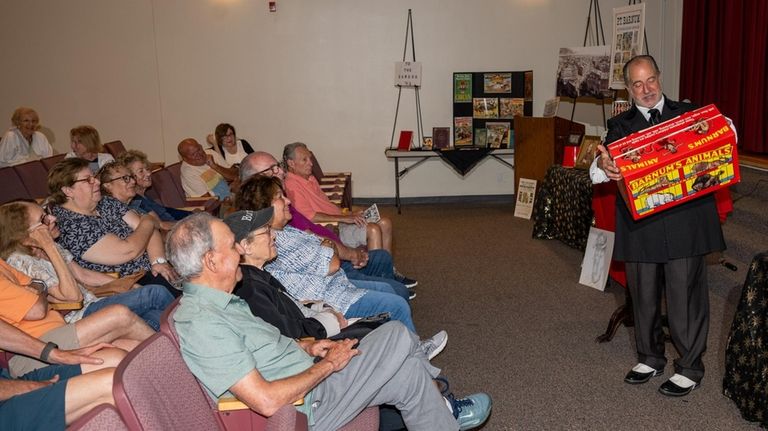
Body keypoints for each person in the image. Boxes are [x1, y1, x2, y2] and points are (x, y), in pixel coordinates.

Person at [166, 212, 492, 431]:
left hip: (308, 379)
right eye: (231, 246)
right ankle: (446, 404)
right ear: (211, 260)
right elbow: (264, 401)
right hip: (303, 406)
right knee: (396, 334)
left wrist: (306, 346)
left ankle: (443, 413)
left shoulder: (221, 300)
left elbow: (258, 347)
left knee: (407, 374)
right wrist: (328, 365)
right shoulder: (202, 322)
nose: (238, 251)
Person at [590, 55, 726, 397]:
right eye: (637, 84)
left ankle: (690, 366)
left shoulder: (688, 114)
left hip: (685, 222)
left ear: (660, 78)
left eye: (650, 80)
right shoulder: (619, 124)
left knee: (685, 296)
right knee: (644, 295)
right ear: (629, 89)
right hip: (641, 226)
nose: (646, 89)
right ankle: (650, 357)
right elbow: (600, 166)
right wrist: (605, 166)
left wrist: (719, 129)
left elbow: (728, 133)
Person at [222, 207, 447, 360]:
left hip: (322, 319)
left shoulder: (260, 274)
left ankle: (417, 361)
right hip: (320, 343)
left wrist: (322, 308)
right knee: (392, 319)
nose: (273, 236)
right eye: (265, 232)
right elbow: (292, 334)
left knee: (391, 323)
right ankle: (419, 363)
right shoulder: (251, 289)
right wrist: (330, 318)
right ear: (245, 247)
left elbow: (295, 306)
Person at [235, 175, 418, 332]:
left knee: (394, 291)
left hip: (337, 285)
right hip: (332, 299)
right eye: (280, 197)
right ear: (264, 206)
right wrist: (328, 246)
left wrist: (328, 246)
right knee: (397, 304)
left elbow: (326, 251)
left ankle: (396, 337)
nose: (288, 201)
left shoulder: (285, 230)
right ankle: (410, 351)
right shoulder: (275, 241)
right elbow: (332, 264)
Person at [240, 151, 416, 296]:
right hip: (332, 261)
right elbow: (315, 245)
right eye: (273, 169)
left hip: (333, 245)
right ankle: (387, 292)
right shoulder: (271, 223)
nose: (280, 171)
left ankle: (387, 283)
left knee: (383, 250)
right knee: (393, 286)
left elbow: (315, 225)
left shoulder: (286, 199)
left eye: (277, 166)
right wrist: (346, 247)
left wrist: (343, 219)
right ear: (256, 180)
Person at [0, 200, 173, 330]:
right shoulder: (21, 261)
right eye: (43, 219)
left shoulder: (52, 246)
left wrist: (128, 285)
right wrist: (50, 247)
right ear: (25, 235)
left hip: (95, 301)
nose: (52, 217)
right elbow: (72, 297)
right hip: (79, 317)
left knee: (155, 318)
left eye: (47, 212)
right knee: (155, 293)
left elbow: (84, 275)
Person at [0, 256, 153, 378]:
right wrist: (39, 290)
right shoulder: (16, 258)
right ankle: (174, 353)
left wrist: (38, 287)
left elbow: (38, 284)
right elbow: (38, 309)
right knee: (122, 314)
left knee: (132, 346)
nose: (51, 221)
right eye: (42, 221)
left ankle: (170, 377)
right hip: (31, 349)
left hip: (60, 331)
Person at [47, 158, 180, 297]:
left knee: (196, 272)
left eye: (94, 176)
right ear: (68, 190)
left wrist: (158, 261)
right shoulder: (69, 226)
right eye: (88, 180)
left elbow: (150, 233)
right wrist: (147, 222)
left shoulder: (106, 202)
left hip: (153, 267)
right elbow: (128, 251)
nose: (97, 182)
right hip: (126, 284)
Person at [0, 320, 117, 430]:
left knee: (115, 359)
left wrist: (55, 354)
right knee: (112, 385)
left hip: (8, 380)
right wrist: (30, 387)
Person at [282, 142, 395, 253]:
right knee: (373, 229)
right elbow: (310, 217)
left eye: (310, 159)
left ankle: (389, 269)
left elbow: (327, 205)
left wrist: (349, 214)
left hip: (340, 220)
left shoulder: (309, 178)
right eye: (304, 160)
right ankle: (379, 270)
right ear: (291, 163)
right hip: (332, 228)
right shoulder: (292, 185)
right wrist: (345, 218)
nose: (311, 163)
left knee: (385, 223)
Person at [99, 160, 176, 232]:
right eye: (125, 178)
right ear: (107, 185)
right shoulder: (109, 213)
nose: (133, 181)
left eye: (132, 177)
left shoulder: (135, 206)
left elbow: (160, 226)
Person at [117, 149, 191, 222]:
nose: (148, 173)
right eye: (141, 171)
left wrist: (192, 214)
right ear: (128, 176)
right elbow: (162, 225)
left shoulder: (144, 196)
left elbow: (166, 211)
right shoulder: (136, 202)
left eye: (147, 169)